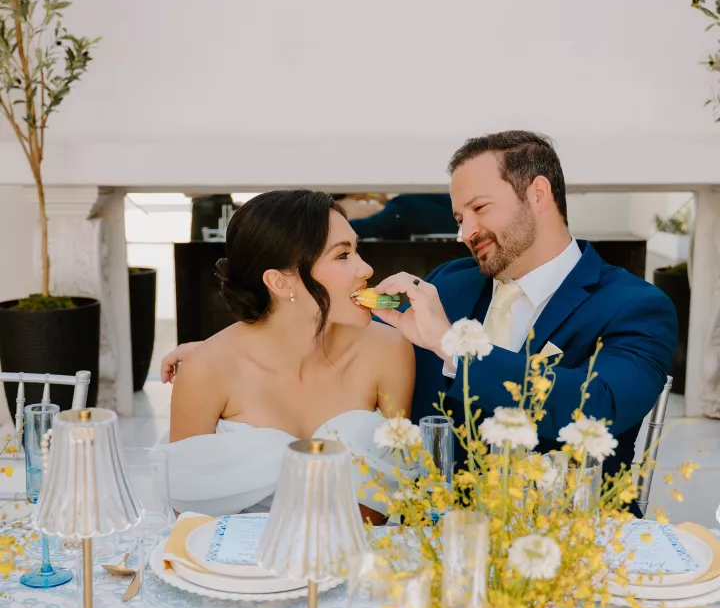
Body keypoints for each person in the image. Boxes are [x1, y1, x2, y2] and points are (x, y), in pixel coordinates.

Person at [369, 131, 678, 479]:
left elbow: (600, 408)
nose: (465, 233)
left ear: (538, 193)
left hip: (575, 524)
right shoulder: (447, 283)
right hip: (441, 525)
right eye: (459, 218)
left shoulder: (636, 305)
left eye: (479, 208)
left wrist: (451, 345)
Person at [158, 190, 414, 518]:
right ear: (280, 282)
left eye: (356, 250)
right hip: (233, 567)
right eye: (342, 255)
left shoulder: (390, 350)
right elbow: (188, 512)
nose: (365, 269)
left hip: (359, 560)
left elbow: (398, 483)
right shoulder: (205, 370)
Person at [339, 193, 458, 240]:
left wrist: (336, 222)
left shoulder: (405, 204)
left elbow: (371, 227)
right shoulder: (445, 198)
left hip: (416, 261)